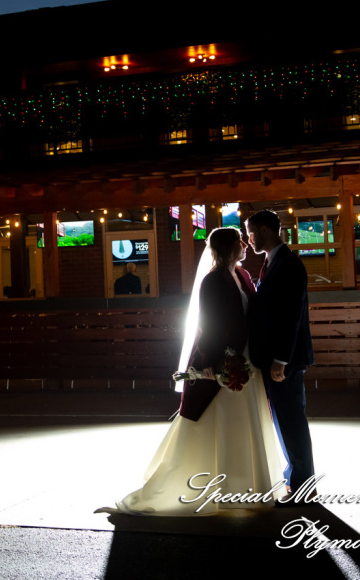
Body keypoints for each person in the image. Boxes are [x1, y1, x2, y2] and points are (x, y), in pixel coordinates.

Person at [100, 227, 285, 515]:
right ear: (228, 247)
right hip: (226, 358)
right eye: (240, 241)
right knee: (221, 420)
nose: (246, 244)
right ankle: (207, 485)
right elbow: (208, 325)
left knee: (246, 420)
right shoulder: (212, 281)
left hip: (249, 357)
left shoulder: (244, 275)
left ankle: (247, 486)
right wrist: (211, 362)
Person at [246, 210, 316, 501]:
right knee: (284, 422)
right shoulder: (272, 263)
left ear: (263, 230)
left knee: (291, 422)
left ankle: (303, 489)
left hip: (284, 361)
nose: (248, 239)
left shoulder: (289, 264)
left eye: (250, 232)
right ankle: (293, 480)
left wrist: (281, 359)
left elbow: (291, 316)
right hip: (275, 359)